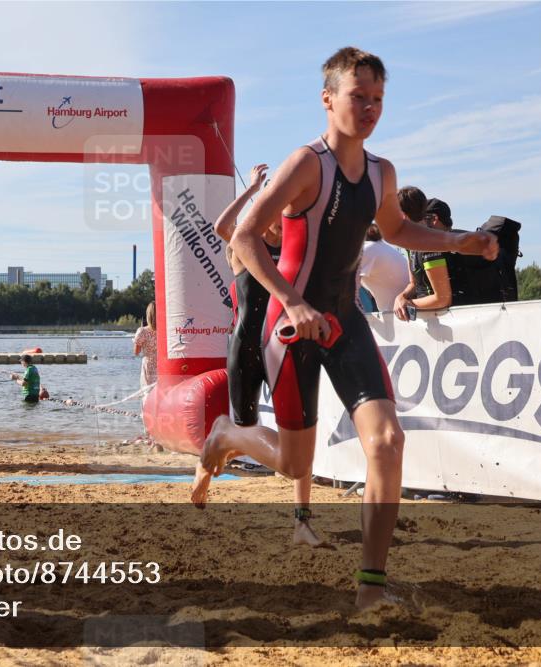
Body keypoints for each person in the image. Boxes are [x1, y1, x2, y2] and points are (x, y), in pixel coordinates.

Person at [195, 46, 497, 607]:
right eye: (359, 96)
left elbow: (398, 229)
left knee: (387, 441)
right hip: (291, 329)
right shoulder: (306, 164)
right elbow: (241, 237)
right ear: (328, 98)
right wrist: (291, 302)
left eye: (378, 98)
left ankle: (370, 588)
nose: (370, 107)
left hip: (346, 323)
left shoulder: (382, 171)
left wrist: (463, 242)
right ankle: (226, 435)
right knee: (294, 465)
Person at [213, 164, 325, 547]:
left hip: (282, 347)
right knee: (243, 432)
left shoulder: (296, 250)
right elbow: (222, 226)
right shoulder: (246, 247)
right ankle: (206, 465)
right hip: (245, 347)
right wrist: (254, 190)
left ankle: (302, 521)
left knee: (301, 429)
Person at [393, 194, 458, 320]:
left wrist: (409, 304)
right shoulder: (410, 244)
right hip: (429, 319)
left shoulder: (429, 246)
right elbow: (414, 283)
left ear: (403, 215)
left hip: (446, 319)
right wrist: (401, 297)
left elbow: (443, 299)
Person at [359, 223, 408, 313]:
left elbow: (345, 287)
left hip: (398, 313)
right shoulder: (381, 246)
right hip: (404, 311)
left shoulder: (366, 250)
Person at [133, 302, 158, 393]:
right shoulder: (165, 330)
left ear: (148, 315)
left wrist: (137, 337)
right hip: (162, 366)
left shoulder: (142, 331)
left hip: (148, 366)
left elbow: (136, 352)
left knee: (148, 394)